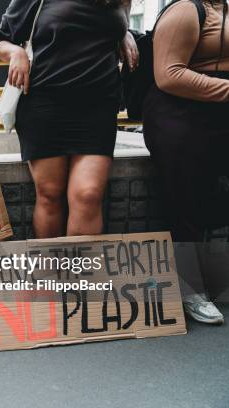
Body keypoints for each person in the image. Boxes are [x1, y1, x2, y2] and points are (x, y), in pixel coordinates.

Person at [0, 0, 138, 238]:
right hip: (44, 104)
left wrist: (125, 33)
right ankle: (50, 272)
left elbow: (110, 27)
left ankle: (80, 275)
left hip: (98, 107)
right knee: (49, 194)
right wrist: (15, 52)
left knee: (88, 194)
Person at [143, 0, 229, 324]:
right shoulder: (186, 10)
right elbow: (168, 75)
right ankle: (190, 288)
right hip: (178, 114)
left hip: (219, 112)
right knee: (185, 197)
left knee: (208, 197)